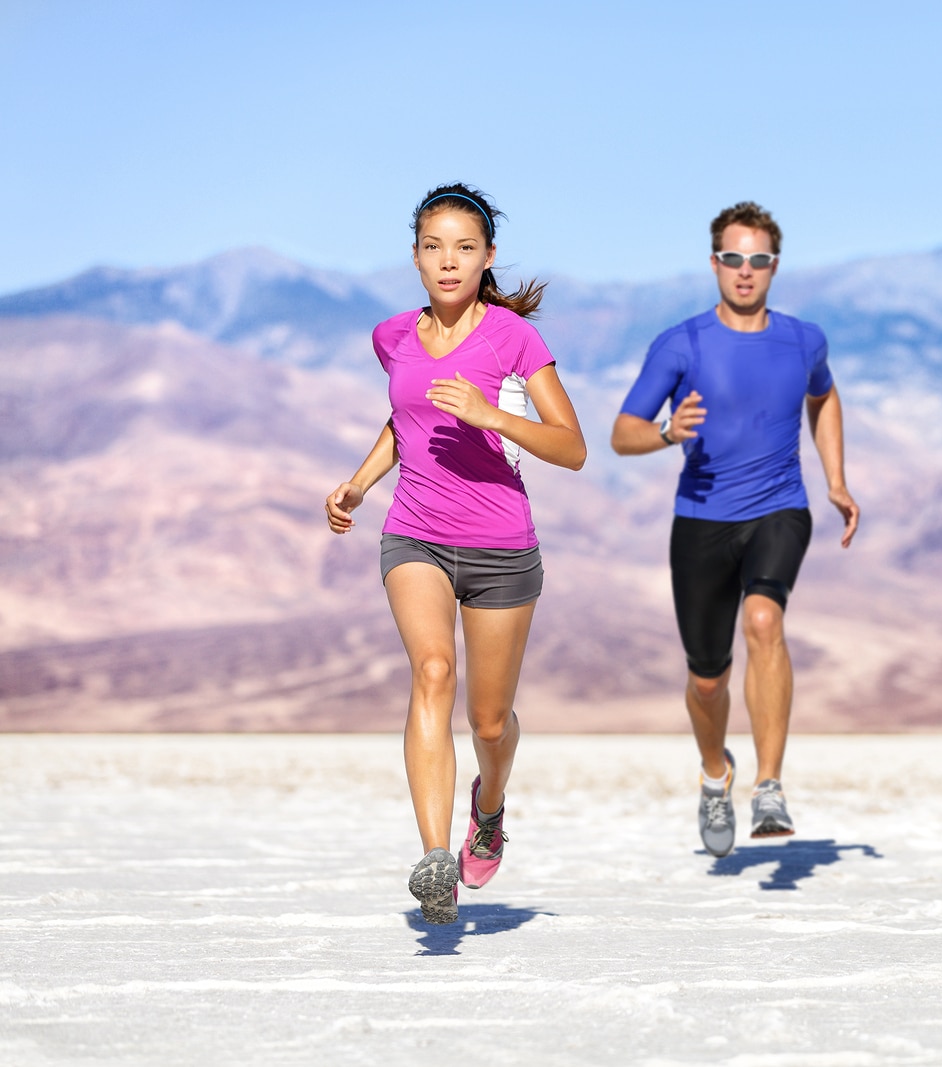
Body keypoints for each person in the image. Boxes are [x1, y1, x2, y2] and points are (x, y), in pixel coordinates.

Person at [324, 183, 586, 924]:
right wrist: (357, 484)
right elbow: (405, 418)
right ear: (414, 256)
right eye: (434, 246)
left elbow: (572, 447)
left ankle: (490, 806)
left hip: (503, 547)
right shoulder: (392, 336)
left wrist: (489, 412)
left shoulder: (511, 338)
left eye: (464, 247)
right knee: (431, 670)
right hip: (415, 534)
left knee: (492, 722)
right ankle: (435, 856)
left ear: (488, 256)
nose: (448, 261)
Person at [610, 201, 859, 858]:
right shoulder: (680, 343)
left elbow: (823, 394)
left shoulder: (804, 339)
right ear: (714, 263)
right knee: (707, 679)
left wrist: (834, 479)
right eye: (732, 258)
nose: (744, 272)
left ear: (775, 267)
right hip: (700, 522)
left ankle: (770, 784)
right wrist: (667, 432)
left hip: (780, 506)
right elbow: (622, 432)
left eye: (758, 260)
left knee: (764, 622)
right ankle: (716, 772)